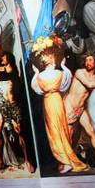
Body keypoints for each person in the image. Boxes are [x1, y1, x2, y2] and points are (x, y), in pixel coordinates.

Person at [30, 37, 89, 174]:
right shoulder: (60, 73)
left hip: (48, 102)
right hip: (57, 100)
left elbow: (36, 89)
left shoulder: (39, 77)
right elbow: (65, 85)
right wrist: (63, 66)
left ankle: (65, 161)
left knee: (54, 132)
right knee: (61, 128)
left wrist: (36, 73)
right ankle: (65, 161)